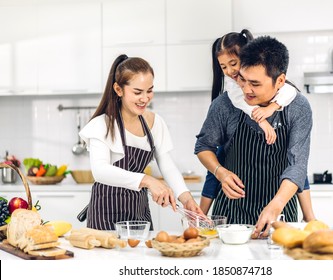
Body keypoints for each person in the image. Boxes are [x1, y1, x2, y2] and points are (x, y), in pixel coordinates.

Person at [195, 35, 313, 237]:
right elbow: (203, 146)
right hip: (230, 220)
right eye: (243, 80)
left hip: (280, 215)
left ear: (280, 81)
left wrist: (276, 205)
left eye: (255, 84)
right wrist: (220, 173)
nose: (246, 90)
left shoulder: (298, 107)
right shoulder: (225, 105)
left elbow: (298, 165)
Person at [79, 55, 202, 230]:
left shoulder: (155, 122)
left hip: (139, 214)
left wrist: (187, 199)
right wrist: (147, 180)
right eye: (137, 92)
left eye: (149, 90)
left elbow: (167, 166)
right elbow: (100, 171)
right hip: (105, 215)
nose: (145, 98)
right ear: (118, 89)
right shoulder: (102, 125)